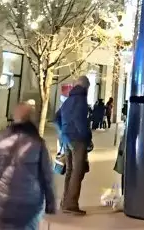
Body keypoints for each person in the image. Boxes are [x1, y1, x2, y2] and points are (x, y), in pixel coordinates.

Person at [0, 101, 56, 230]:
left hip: (3, 204)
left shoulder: (2, 141)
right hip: (30, 205)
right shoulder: (38, 143)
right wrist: (50, 202)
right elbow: (47, 176)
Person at [55, 76, 92, 215]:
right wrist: (87, 138)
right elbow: (80, 121)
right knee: (78, 170)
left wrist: (63, 131)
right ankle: (71, 204)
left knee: (70, 169)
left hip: (66, 138)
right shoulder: (81, 100)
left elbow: (56, 117)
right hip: (78, 139)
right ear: (85, 87)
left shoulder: (68, 100)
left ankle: (65, 201)